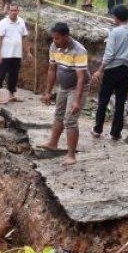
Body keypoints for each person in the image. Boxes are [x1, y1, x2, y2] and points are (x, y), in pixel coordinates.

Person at [90, 5, 128, 140]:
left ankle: (97, 129)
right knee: (120, 102)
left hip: (112, 69)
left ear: (116, 17)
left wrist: (100, 70)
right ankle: (115, 133)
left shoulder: (114, 32)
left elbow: (109, 54)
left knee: (104, 99)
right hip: (127, 71)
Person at [41, 22, 89, 166]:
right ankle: (52, 143)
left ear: (66, 37)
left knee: (70, 119)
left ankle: (71, 155)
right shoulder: (54, 47)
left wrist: (76, 101)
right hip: (64, 86)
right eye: (53, 38)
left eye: (57, 38)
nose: (54, 41)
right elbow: (52, 69)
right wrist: (48, 91)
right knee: (59, 115)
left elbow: (81, 78)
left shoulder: (79, 50)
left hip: (78, 87)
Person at [0, 3, 33, 104]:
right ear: (8, 11)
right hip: (5, 54)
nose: (13, 12)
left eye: (15, 10)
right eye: (11, 10)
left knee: (14, 75)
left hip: (17, 54)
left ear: (18, 11)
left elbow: (25, 38)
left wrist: (28, 52)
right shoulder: (2, 23)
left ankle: (12, 95)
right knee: (1, 75)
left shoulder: (21, 22)